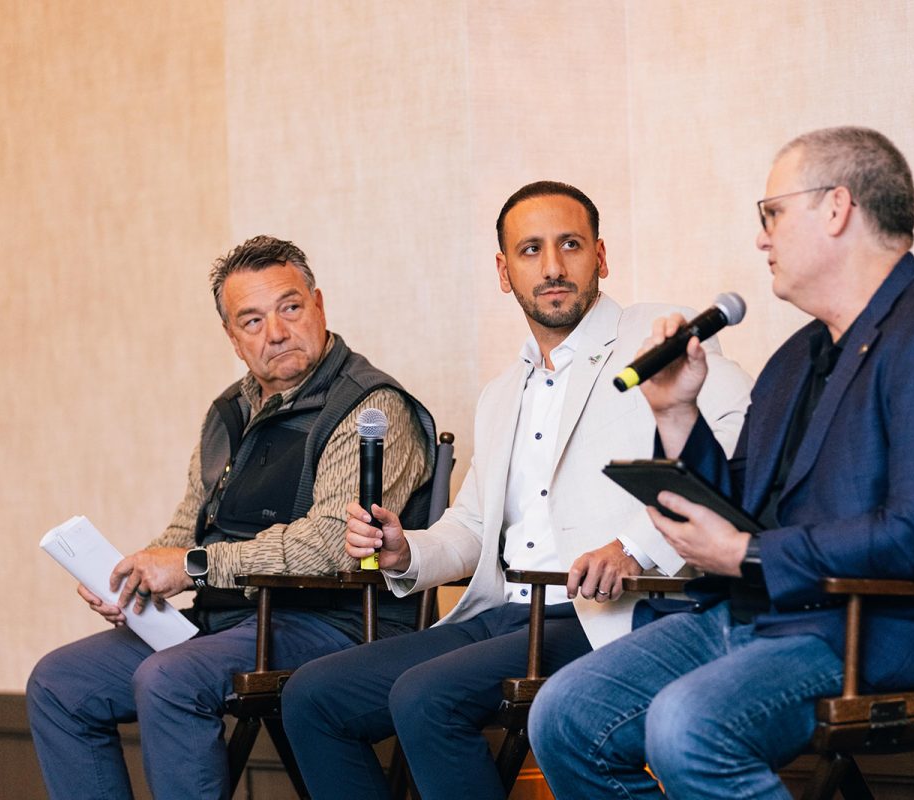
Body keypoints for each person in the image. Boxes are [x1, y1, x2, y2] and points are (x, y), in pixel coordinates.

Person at [529, 127, 914, 799]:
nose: (760, 238)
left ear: (837, 208)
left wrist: (747, 554)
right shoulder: (797, 357)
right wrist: (675, 413)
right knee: (566, 714)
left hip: (898, 628)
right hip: (777, 613)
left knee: (689, 725)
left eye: (772, 214)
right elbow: (743, 507)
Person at [280, 181, 753, 799]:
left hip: (601, 614)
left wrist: (635, 546)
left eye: (570, 245)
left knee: (425, 697)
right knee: (311, 696)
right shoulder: (502, 393)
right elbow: (474, 526)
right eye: (531, 250)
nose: (552, 267)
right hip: (503, 612)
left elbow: (738, 449)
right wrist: (406, 550)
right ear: (504, 272)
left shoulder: (655, 336)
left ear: (601, 257)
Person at [26, 235, 436, 800]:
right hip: (230, 621)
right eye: (252, 320)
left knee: (169, 679)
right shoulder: (229, 411)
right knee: (59, 683)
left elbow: (329, 546)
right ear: (232, 337)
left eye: (290, 307)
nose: (276, 332)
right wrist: (131, 576)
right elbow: (187, 528)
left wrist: (192, 566)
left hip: (335, 625)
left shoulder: (370, 407)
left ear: (319, 305)